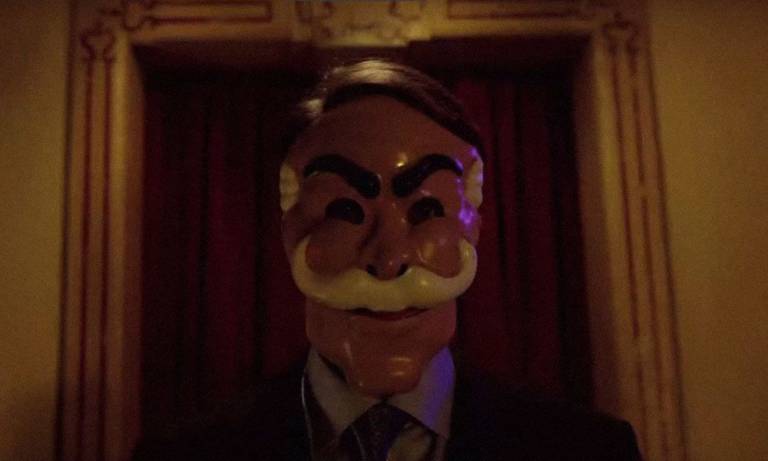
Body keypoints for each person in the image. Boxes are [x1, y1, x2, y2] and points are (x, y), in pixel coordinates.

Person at [133, 59, 641, 460]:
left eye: (426, 210)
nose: (389, 260)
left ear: (473, 225)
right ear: (288, 228)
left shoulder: (589, 451)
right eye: (344, 211)